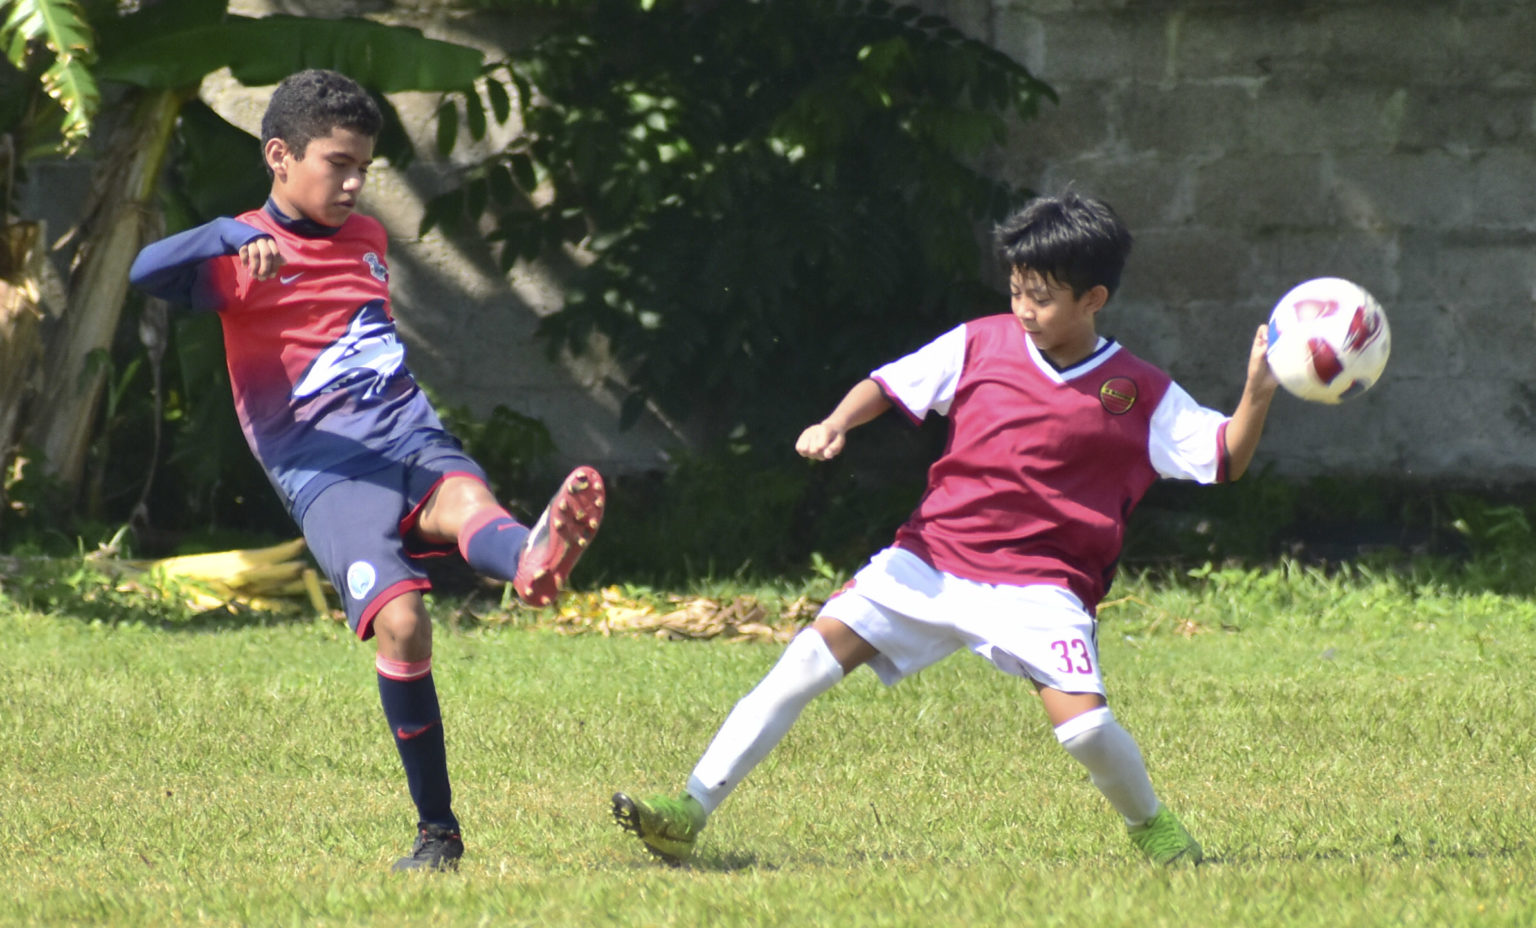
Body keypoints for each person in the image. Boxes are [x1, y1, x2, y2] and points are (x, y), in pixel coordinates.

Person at [610, 190, 1279, 867]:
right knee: (803, 663)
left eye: (1042, 298)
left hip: (1042, 586)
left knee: (1086, 731)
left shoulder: (1136, 389)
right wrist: (836, 423)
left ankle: (1152, 827)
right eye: (1016, 291)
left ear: (1093, 299)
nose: (1024, 310)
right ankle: (689, 810)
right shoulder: (980, 342)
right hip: (929, 562)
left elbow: (1224, 457)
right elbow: (887, 384)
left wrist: (1257, 390)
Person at [129, 69, 605, 872]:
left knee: (468, 500)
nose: (353, 183)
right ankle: (437, 832)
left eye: (364, 168)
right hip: (324, 469)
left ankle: (529, 558)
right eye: (338, 164)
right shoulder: (245, 253)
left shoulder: (370, 240)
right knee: (404, 624)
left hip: (408, 435)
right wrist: (226, 236)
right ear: (279, 156)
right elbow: (146, 269)